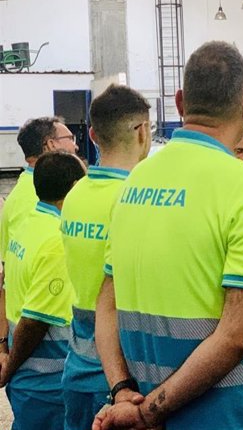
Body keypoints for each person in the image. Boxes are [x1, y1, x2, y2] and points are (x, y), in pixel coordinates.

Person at [93, 41, 243, 430]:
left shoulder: (135, 181)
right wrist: (149, 413)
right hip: (235, 414)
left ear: (181, 101)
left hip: (149, 402)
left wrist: (123, 393)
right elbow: (237, 333)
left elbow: (107, 306)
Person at [60, 84, 151, 429]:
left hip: (78, 363)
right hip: (119, 378)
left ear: (94, 135)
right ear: (143, 131)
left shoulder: (75, 194)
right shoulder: (137, 199)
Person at [0, 151, 86, 430]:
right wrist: (9, 368)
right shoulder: (57, 240)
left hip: (26, 379)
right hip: (47, 383)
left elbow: (6, 287)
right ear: (74, 187)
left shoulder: (27, 226)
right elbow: (35, 319)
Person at [0, 117, 79, 383]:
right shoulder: (34, 203)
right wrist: (7, 359)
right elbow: (15, 288)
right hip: (42, 365)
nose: (76, 147)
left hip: (28, 358)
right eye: (70, 139)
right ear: (50, 145)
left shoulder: (24, 193)